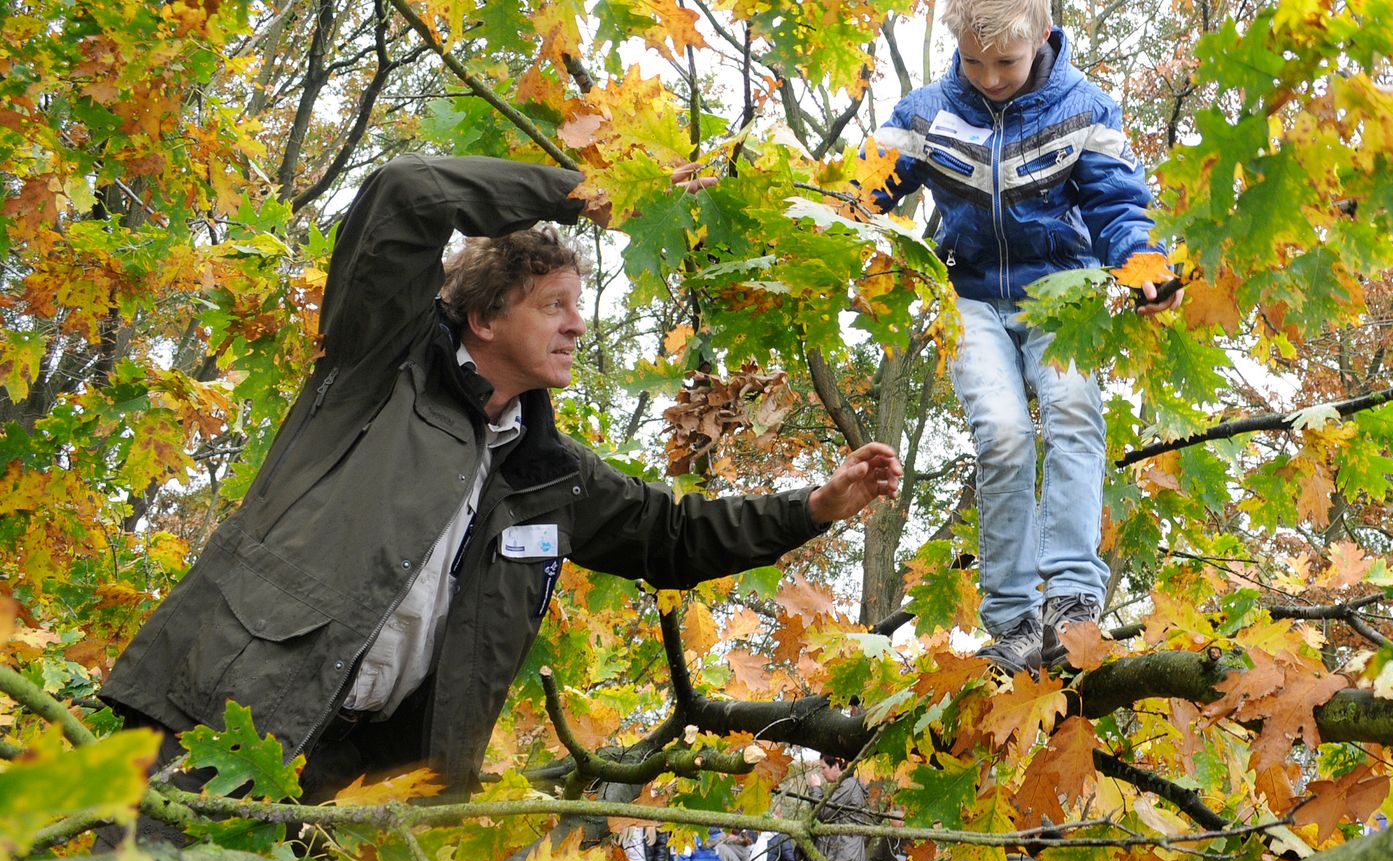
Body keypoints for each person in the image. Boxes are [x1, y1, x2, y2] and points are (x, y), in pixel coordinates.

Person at [97, 154, 903, 806]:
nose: (578, 323)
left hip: (361, 781)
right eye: (554, 304)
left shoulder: (545, 471)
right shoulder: (379, 366)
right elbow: (407, 191)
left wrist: (816, 506)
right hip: (217, 720)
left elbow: (672, 537)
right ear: (483, 319)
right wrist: (586, 191)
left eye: (578, 305)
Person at [867, 0, 1180, 673]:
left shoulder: (1084, 109)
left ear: (1040, 36)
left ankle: (1071, 597)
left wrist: (1144, 264)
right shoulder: (927, 114)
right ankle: (1012, 618)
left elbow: (1119, 203)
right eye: (973, 63)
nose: (989, 77)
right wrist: (819, 222)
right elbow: (858, 191)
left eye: (1005, 61)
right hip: (969, 298)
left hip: (1059, 293)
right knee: (1004, 436)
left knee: (1071, 409)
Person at [806, 757, 869, 861]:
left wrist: (815, 789)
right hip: (842, 857)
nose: (822, 772)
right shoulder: (845, 785)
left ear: (836, 765)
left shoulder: (848, 786)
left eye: (824, 767)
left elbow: (823, 813)